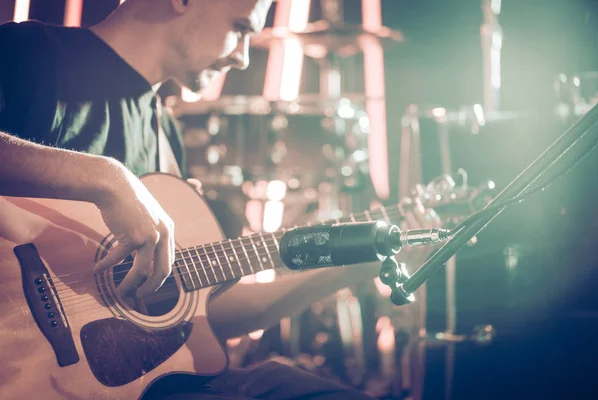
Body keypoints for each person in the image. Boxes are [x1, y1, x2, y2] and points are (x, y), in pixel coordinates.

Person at [0, 0, 406, 398]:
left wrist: (350, 266)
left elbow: (196, 318)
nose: (244, 59)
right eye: (241, 27)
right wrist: (105, 178)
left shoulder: (166, 137)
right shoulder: (32, 53)